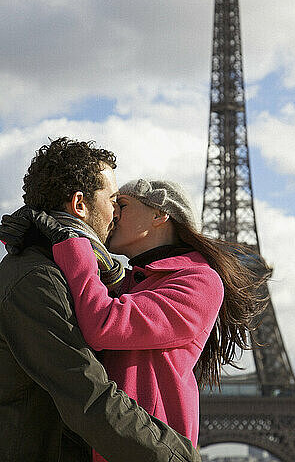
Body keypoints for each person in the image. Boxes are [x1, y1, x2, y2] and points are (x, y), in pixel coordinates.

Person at [2, 177, 268, 462]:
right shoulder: (126, 281)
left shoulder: (199, 281)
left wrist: (73, 240)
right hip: (111, 443)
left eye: (123, 204)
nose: (113, 212)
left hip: (149, 446)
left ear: (159, 214)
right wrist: (41, 242)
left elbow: (105, 323)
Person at [0, 137, 201, 462]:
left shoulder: (65, 271)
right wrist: (179, 457)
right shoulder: (37, 279)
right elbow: (88, 394)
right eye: (112, 201)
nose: (116, 214)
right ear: (80, 204)